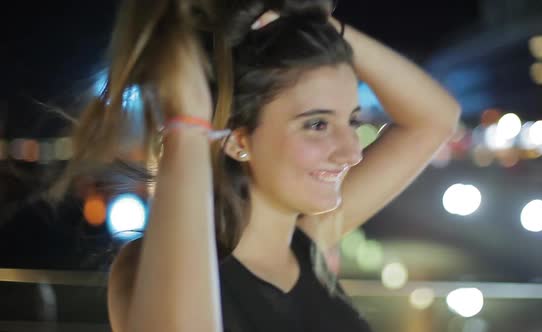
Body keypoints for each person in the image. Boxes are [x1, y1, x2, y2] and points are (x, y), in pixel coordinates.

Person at [52, 0, 460, 331]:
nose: (351, 153)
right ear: (237, 139)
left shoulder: (307, 243)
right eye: (317, 124)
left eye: (351, 120)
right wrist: (190, 125)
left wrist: (320, 25)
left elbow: (435, 119)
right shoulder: (146, 268)